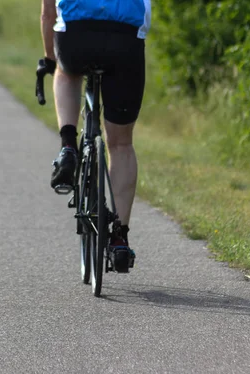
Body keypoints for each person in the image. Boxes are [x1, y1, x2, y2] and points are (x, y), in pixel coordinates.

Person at [39, 0, 150, 273]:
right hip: (126, 39)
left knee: (65, 72)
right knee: (121, 144)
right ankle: (119, 239)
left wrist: (50, 59)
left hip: (76, 35)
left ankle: (68, 146)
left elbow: (48, 14)